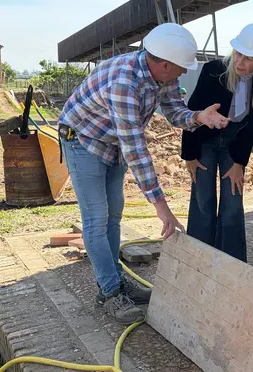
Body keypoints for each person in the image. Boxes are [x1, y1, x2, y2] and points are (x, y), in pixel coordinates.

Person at [58, 23, 229, 324]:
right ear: (164, 64)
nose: (180, 75)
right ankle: (110, 292)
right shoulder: (124, 81)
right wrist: (162, 208)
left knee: (114, 216)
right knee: (96, 218)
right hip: (83, 141)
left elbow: (175, 111)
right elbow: (135, 149)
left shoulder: (163, 75)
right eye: (179, 69)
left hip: (113, 142)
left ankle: (115, 281)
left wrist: (198, 117)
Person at [181, 23, 253, 262]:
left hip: (234, 145)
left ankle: (232, 264)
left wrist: (239, 162)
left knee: (232, 203)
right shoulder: (214, 69)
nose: (240, 62)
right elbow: (192, 111)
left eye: (248, 58)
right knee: (203, 200)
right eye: (239, 54)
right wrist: (189, 155)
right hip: (204, 141)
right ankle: (199, 260)